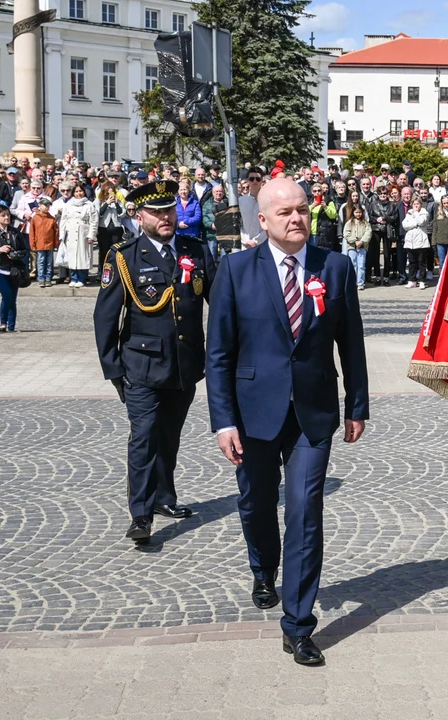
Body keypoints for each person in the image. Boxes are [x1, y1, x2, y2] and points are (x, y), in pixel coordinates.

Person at [206, 177, 368, 666]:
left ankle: (298, 625)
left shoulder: (334, 268)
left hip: (313, 414)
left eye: (302, 208)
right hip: (252, 414)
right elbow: (219, 354)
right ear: (263, 220)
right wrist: (223, 421)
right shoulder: (235, 270)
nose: (296, 218)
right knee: (256, 503)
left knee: (304, 512)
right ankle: (262, 568)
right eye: (284, 213)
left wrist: (356, 405)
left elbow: (352, 344)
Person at [93, 179, 216, 544]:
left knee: (169, 437)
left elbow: (220, 303)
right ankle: (141, 515)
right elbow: (105, 316)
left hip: (184, 365)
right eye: (157, 212)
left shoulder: (195, 249)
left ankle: (164, 498)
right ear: (139, 215)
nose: (165, 217)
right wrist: (114, 369)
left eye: (169, 210)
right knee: (144, 439)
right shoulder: (124, 256)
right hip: (141, 367)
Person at [0, 205, 29, 332]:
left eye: (8, 215)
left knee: (12, 299)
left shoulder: (15, 232)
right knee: (7, 295)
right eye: (3, 215)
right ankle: (3, 322)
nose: (7, 217)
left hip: (13, 270)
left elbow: (25, 250)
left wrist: (15, 255)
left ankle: (11, 326)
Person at [59, 183, 97, 287]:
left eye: (80, 191)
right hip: (70, 232)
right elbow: (63, 220)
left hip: (83, 232)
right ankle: (73, 278)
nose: (78, 193)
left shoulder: (89, 205)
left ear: (84, 192)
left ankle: (82, 278)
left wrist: (91, 235)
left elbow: (94, 221)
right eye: (76, 191)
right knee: (71, 256)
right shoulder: (68, 204)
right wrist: (61, 235)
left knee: (83, 256)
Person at [28, 196, 60, 288]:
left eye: (48, 205)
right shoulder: (35, 218)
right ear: (40, 206)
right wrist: (32, 244)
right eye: (45, 205)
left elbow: (56, 232)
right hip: (40, 244)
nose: (46, 207)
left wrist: (56, 243)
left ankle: (48, 278)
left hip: (49, 244)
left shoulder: (51, 218)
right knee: (41, 261)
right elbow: (32, 232)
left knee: (49, 262)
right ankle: (41, 278)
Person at [96, 179, 126, 272]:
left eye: (111, 190)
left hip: (116, 229)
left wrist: (116, 203)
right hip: (103, 229)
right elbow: (98, 213)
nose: (110, 193)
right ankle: (101, 271)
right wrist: (106, 204)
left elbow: (122, 214)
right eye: (108, 191)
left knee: (115, 251)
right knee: (104, 251)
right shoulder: (99, 200)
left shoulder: (118, 201)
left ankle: (115, 271)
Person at [402, 196, 430, 289]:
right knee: (412, 262)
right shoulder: (409, 213)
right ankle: (412, 280)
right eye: (414, 204)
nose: (416, 206)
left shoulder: (424, 213)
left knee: (421, 262)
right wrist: (414, 224)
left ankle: (422, 280)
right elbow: (405, 225)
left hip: (421, 242)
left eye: (417, 204)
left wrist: (416, 214)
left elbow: (421, 222)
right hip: (410, 242)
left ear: (421, 205)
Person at [342, 204, 371, 290]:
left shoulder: (366, 223)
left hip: (362, 247)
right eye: (356, 212)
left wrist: (362, 241)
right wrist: (354, 241)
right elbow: (346, 233)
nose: (358, 214)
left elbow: (368, 233)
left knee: (361, 265)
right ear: (353, 213)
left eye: (360, 212)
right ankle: (353, 282)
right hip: (352, 247)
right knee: (353, 264)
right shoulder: (349, 223)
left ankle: (360, 282)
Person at [239, 169, 267, 246]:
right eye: (252, 179)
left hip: (264, 243)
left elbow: (270, 223)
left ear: (262, 180)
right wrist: (246, 241)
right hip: (245, 243)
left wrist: (256, 241)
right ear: (248, 181)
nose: (255, 181)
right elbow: (238, 223)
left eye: (257, 179)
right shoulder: (241, 201)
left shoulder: (268, 200)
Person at [432, 194, 448, 275]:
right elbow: (435, 228)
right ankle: (441, 280)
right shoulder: (438, 214)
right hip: (440, 242)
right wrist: (433, 242)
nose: (446, 205)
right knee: (441, 262)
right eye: (444, 203)